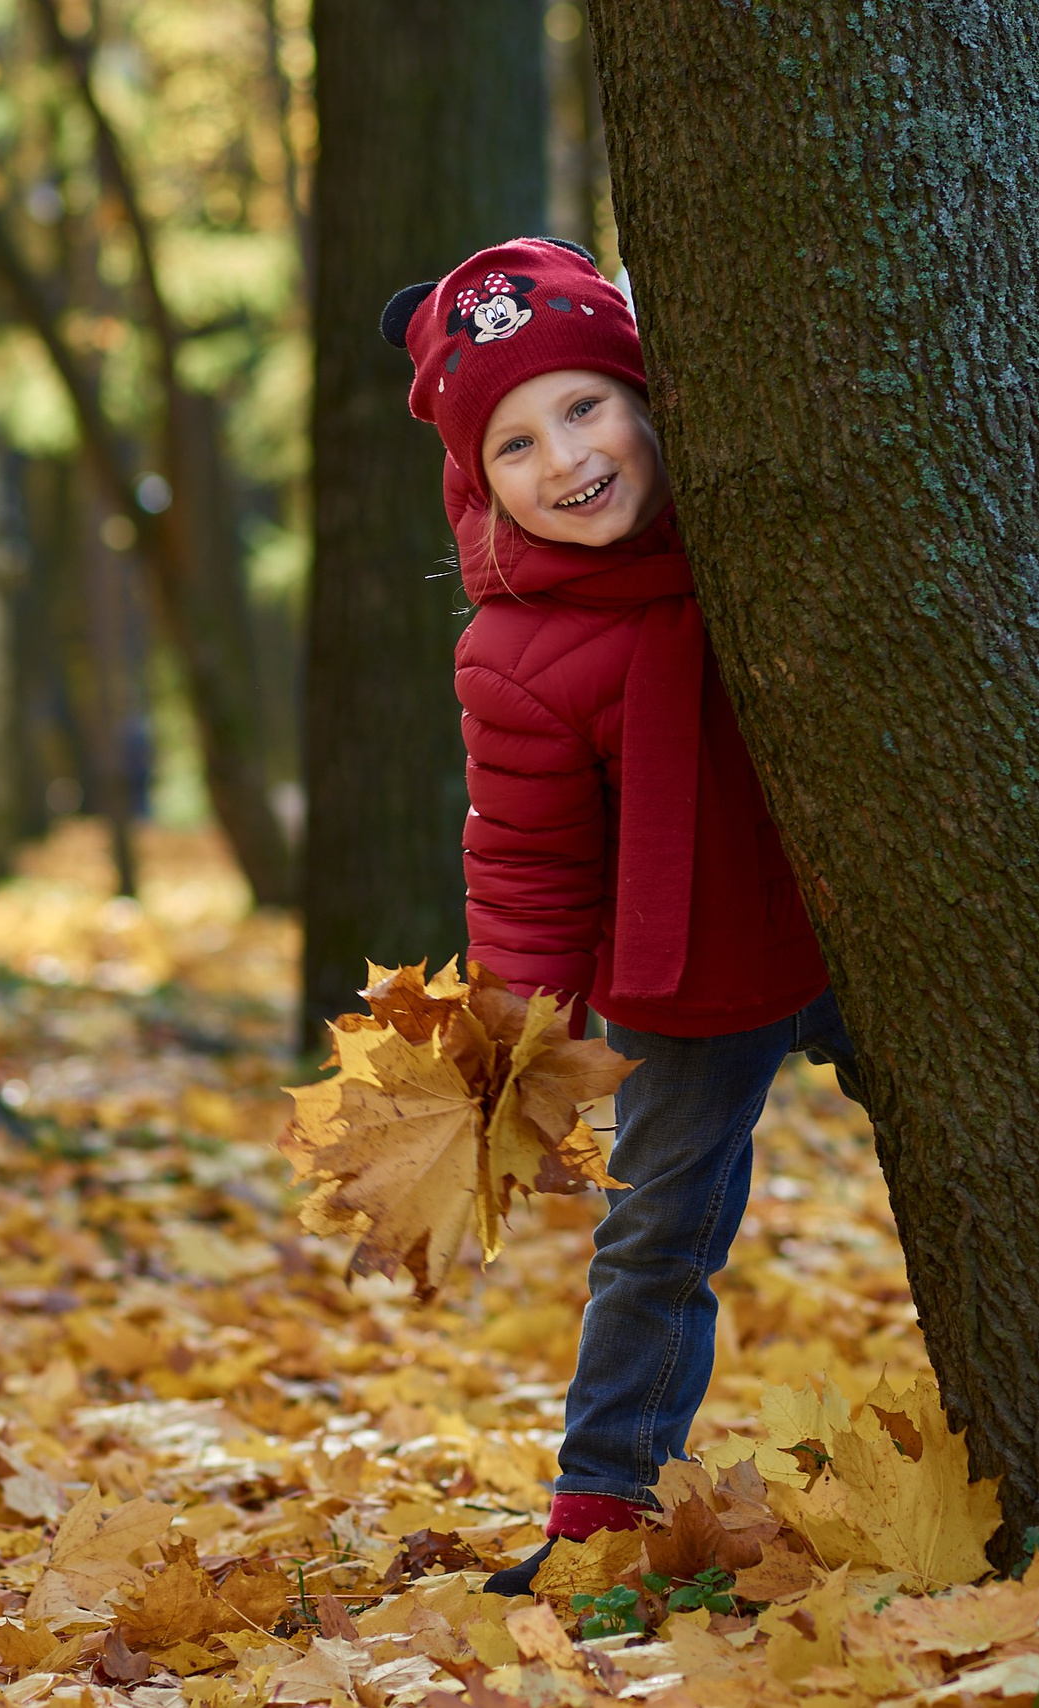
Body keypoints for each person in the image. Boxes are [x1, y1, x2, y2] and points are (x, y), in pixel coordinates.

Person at [381, 238, 856, 1596]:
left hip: (862, 933)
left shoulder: (758, 536)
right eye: (517, 442)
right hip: (691, 975)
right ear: (480, 479)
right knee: (657, 1231)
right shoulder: (517, 647)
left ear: (654, 393)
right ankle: (601, 1509)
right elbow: (529, 869)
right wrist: (511, 1049)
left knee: (1002, 1141)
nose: (566, 458)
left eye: (586, 405)